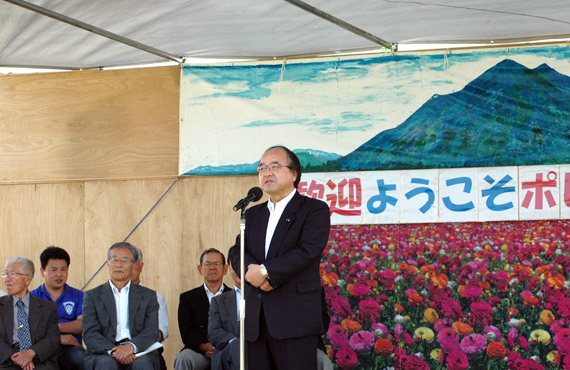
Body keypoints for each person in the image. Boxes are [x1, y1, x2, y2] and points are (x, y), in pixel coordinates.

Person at [244, 145, 331, 370]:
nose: (267, 172)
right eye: (262, 168)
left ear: (294, 174)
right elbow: (238, 250)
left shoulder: (313, 210)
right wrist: (250, 272)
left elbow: (308, 251)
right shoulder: (253, 213)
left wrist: (265, 273)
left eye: (274, 166)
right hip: (257, 321)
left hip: (294, 319)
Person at [82, 242, 160, 370]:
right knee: (107, 365)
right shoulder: (92, 296)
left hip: (138, 350)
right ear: (107, 263)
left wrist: (131, 347)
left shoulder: (148, 295)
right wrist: (115, 352)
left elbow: (151, 331)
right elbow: (90, 333)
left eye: (124, 261)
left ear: (134, 265)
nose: (118, 265)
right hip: (104, 352)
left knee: (143, 365)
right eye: (114, 260)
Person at [31, 246, 85, 370]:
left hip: (70, 348)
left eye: (63, 269)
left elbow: (82, 324)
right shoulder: (32, 297)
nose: (59, 274)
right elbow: (30, 330)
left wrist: (55, 327)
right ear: (42, 271)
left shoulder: (78, 295)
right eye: (53, 270)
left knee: (83, 359)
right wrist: (59, 338)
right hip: (41, 348)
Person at [0, 256, 60, 369]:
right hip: (6, 360)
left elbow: (53, 338)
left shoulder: (47, 308)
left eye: (12, 274)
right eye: (5, 274)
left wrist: (31, 352)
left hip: (38, 359)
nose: (6, 279)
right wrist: (15, 357)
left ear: (27, 279)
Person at [175, 249, 230, 370]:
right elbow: (186, 330)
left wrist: (222, 347)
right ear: (200, 269)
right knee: (183, 358)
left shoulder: (235, 296)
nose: (212, 267)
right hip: (199, 351)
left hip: (228, 351)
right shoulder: (188, 298)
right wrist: (205, 346)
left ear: (225, 269)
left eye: (216, 264)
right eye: (207, 264)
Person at [131, 247, 169, 370]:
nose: (128, 266)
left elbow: (160, 332)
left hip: (145, 351)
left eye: (133, 261)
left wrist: (132, 346)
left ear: (141, 266)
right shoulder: (104, 297)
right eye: (123, 261)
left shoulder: (155, 297)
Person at [207, 244, 241, 370]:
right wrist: (235, 342)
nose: (238, 270)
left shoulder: (261, 297)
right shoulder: (218, 301)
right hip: (227, 352)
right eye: (234, 265)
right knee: (238, 348)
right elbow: (214, 332)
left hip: (256, 349)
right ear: (229, 269)